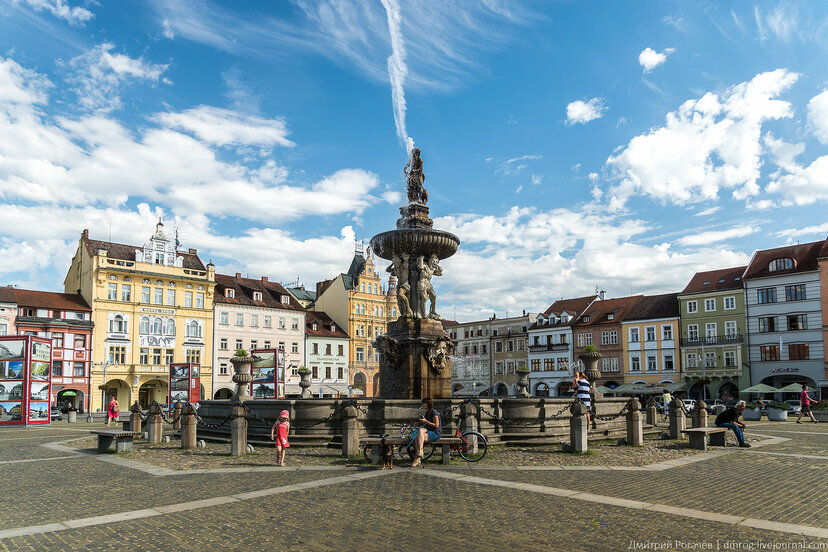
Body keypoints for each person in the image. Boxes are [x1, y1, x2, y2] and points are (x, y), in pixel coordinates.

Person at [411, 397, 441, 467]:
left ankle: (418, 455)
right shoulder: (427, 412)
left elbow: (436, 425)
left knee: (420, 432)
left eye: (424, 403)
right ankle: (418, 457)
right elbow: (426, 424)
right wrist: (419, 423)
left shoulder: (434, 413)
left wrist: (425, 421)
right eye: (422, 403)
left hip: (435, 433)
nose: (422, 404)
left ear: (428, 404)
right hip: (429, 432)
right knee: (417, 435)